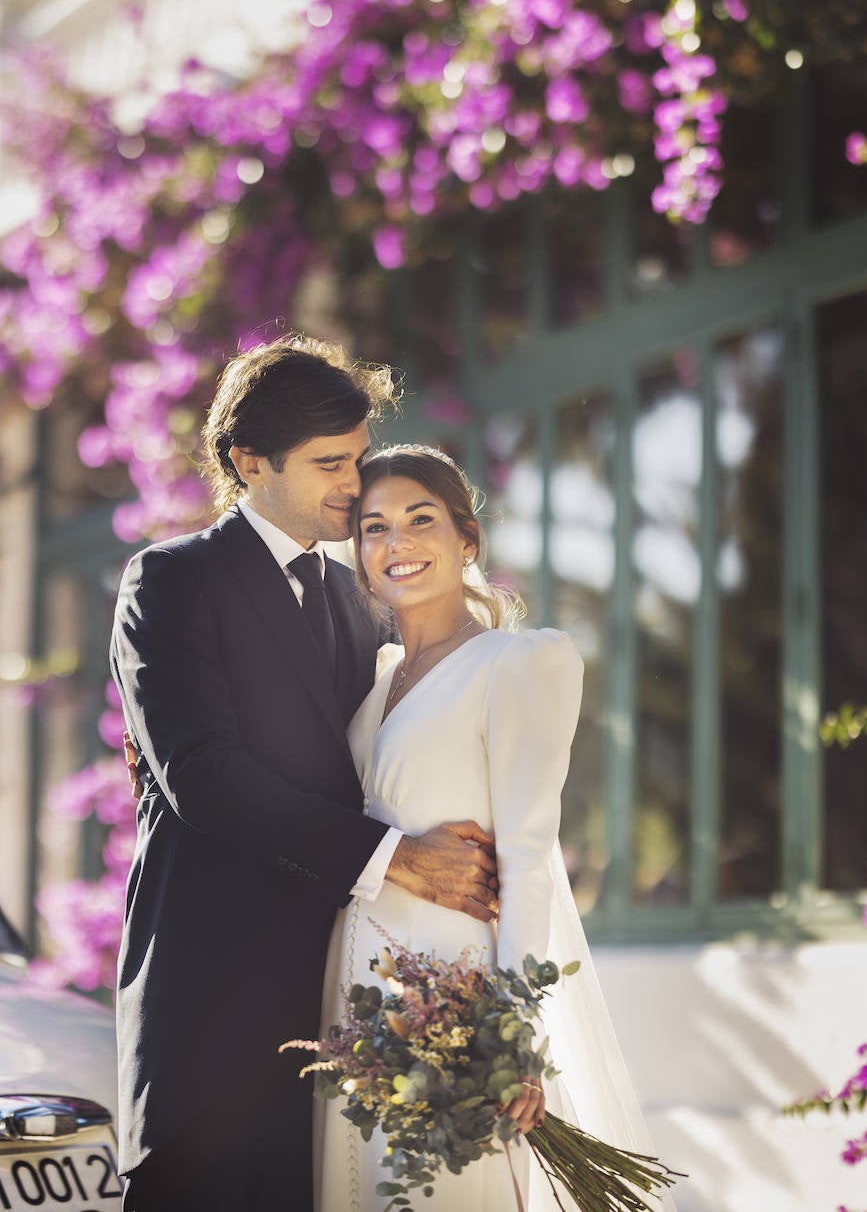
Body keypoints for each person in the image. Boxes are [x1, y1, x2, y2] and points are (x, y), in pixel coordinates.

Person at [110, 337, 501, 1212]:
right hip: (213, 1020)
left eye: (359, 458)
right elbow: (204, 776)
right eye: (330, 464)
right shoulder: (171, 582)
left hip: (341, 1027)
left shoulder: (358, 599)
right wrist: (398, 857)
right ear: (248, 463)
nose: (355, 485)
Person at [316, 444, 673, 1212]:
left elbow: (526, 853)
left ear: (466, 539)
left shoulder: (514, 665)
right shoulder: (373, 677)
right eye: (373, 528)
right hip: (355, 1000)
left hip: (451, 996)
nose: (397, 544)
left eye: (420, 520)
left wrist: (511, 1035)